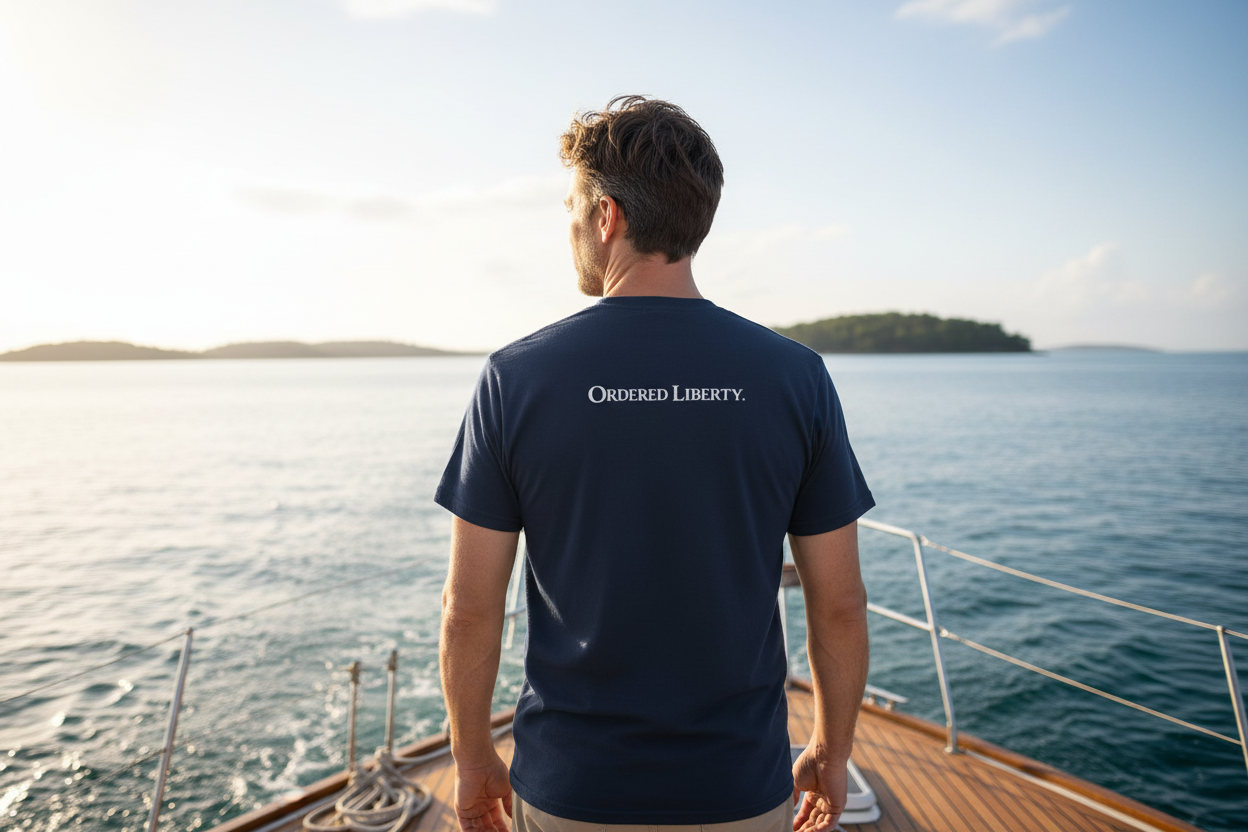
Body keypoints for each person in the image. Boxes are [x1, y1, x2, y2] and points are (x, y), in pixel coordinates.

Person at [435, 96, 873, 832]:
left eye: (572, 208)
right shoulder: (796, 377)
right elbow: (840, 604)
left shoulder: (517, 377)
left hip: (573, 788)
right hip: (740, 786)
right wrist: (831, 749)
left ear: (606, 217)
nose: (570, 227)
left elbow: (471, 608)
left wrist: (474, 759)